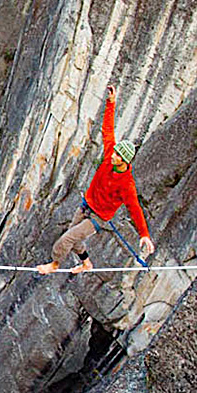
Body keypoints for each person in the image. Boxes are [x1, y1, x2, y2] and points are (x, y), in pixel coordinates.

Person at [37, 85, 155, 275]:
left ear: (125, 162)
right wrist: (111, 103)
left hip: (98, 217)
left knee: (66, 239)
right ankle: (86, 264)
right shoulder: (110, 155)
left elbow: (135, 209)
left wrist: (144, 235)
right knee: (74, 239)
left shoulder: (127, 184)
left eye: (118, 156)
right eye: (115, 152)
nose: (113, 156)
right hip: (87, 205)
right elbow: (107, 130)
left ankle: (54, 264)